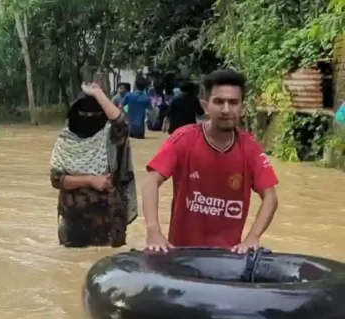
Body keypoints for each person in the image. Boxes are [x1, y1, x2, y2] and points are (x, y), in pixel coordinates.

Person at [142, 69, 279, 254]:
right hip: (181, 254)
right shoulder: (183, 139)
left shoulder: (251, 148)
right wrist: (153, 231)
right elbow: (151, 181)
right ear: (205, 106)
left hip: (228, 257)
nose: (225, 109)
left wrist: (253, 237)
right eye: (218, 101)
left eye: (233, 102)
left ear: (242, 108)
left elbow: (270, 197)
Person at [50, 82, 138, 248]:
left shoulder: (110, 138)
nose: (89, 117)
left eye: (94, 113)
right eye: (85, 113)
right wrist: (90, 180)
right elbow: (56, 179)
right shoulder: (65, 140)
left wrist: (99, 95)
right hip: (72, 221)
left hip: (109, 220)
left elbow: (122, 123)